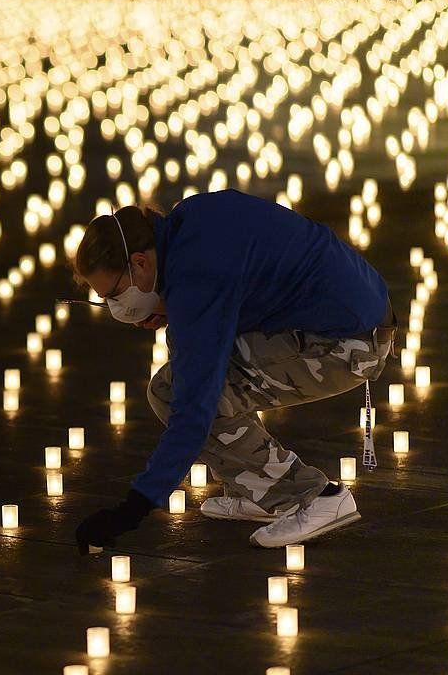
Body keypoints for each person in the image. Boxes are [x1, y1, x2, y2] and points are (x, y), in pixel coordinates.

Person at [70, 189, 396, 553]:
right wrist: (174, 311)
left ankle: (315, 496)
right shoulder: (189, 223)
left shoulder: (194, 277)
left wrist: (131, 510)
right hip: (359, 317)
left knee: (170, 391)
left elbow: (193, 408)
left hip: (347, 344)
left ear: (141, 263)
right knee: (191, 380)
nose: (115, 307)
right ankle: (262, 490)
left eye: (114, 294)